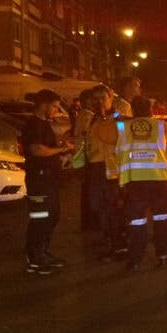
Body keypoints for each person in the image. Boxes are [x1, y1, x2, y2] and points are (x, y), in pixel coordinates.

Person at [113, 96, 167, 270]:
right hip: (160, 181)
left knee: (137, 222)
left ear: (133, 111)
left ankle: (135, 260)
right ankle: (163, 255)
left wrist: (116, 115)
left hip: (134, 182)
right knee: (161, 219)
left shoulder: (122, 128)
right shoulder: (162, 126)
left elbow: (112, 142)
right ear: (151, 111)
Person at [21, 89, 74, 275]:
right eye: (54, 106)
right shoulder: (33, 124)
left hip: (49, 179)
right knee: (41, 218)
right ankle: (34, 258)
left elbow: (47, 148)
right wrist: (58, 151)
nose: (56, 110)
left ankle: (42, 252)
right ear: (44, 104)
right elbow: (37, 149)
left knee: (52, 216)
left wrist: (62, 153)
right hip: (39, 180)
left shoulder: (44, 124)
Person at [86, 85, 125, 261]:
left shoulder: (117, 117)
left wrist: (106, 117)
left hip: (112, 168)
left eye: (103, 98)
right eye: (96, 98)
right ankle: (110, 239)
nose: (100, 102)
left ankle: (117, 245)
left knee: (112, 208)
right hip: (95, 167)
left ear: (111, 98)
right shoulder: (92, 118)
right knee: (98, 206)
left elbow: (120, 134)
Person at [73, 88, 97, 231]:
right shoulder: (87, 116)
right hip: (86, 157)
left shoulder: (83, 114)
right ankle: (90, 223)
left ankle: (88, 222)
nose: (96, 101)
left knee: (87, 191)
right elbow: (89, 135)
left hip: (82, 157)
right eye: (93, 99)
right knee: (89, 192)